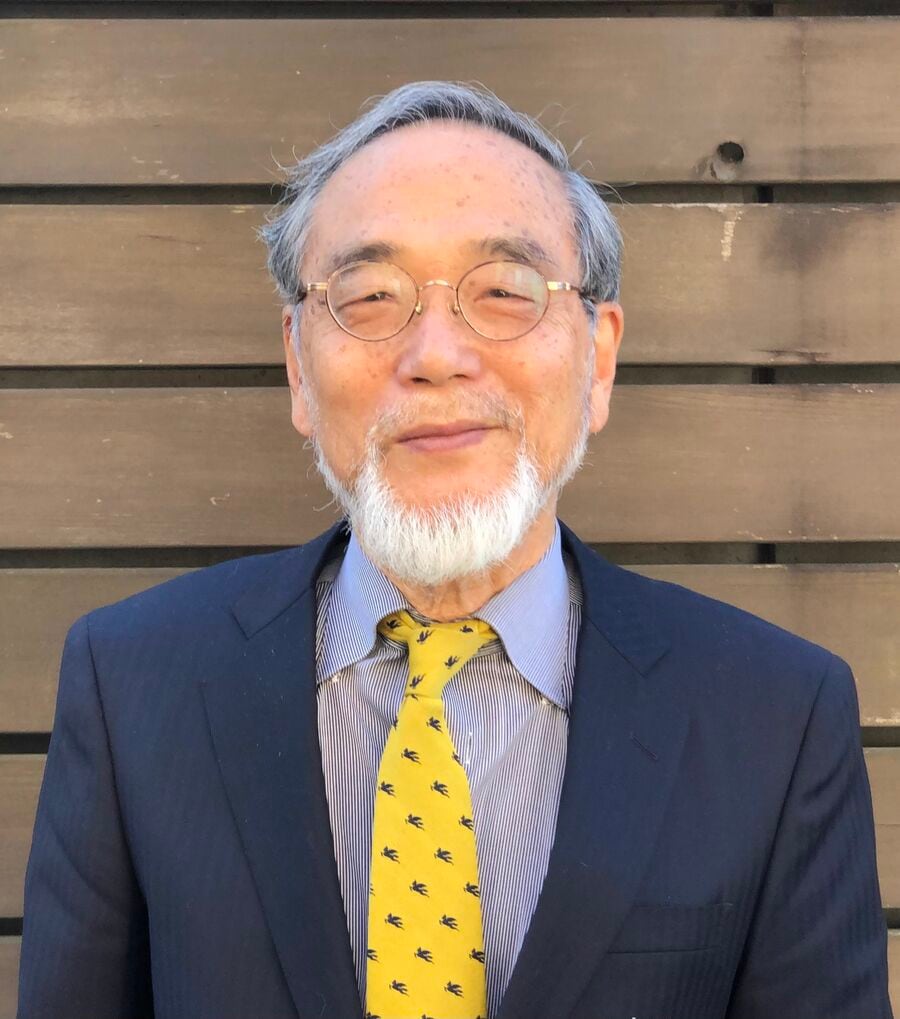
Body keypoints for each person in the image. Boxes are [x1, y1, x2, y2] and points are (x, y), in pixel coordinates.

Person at [17, 80, 891, 1019]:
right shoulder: (133, 684)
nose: (435, 353)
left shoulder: (774, 717)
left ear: (598, 358)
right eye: (370, 297)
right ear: (299, 366)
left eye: (505, 291)